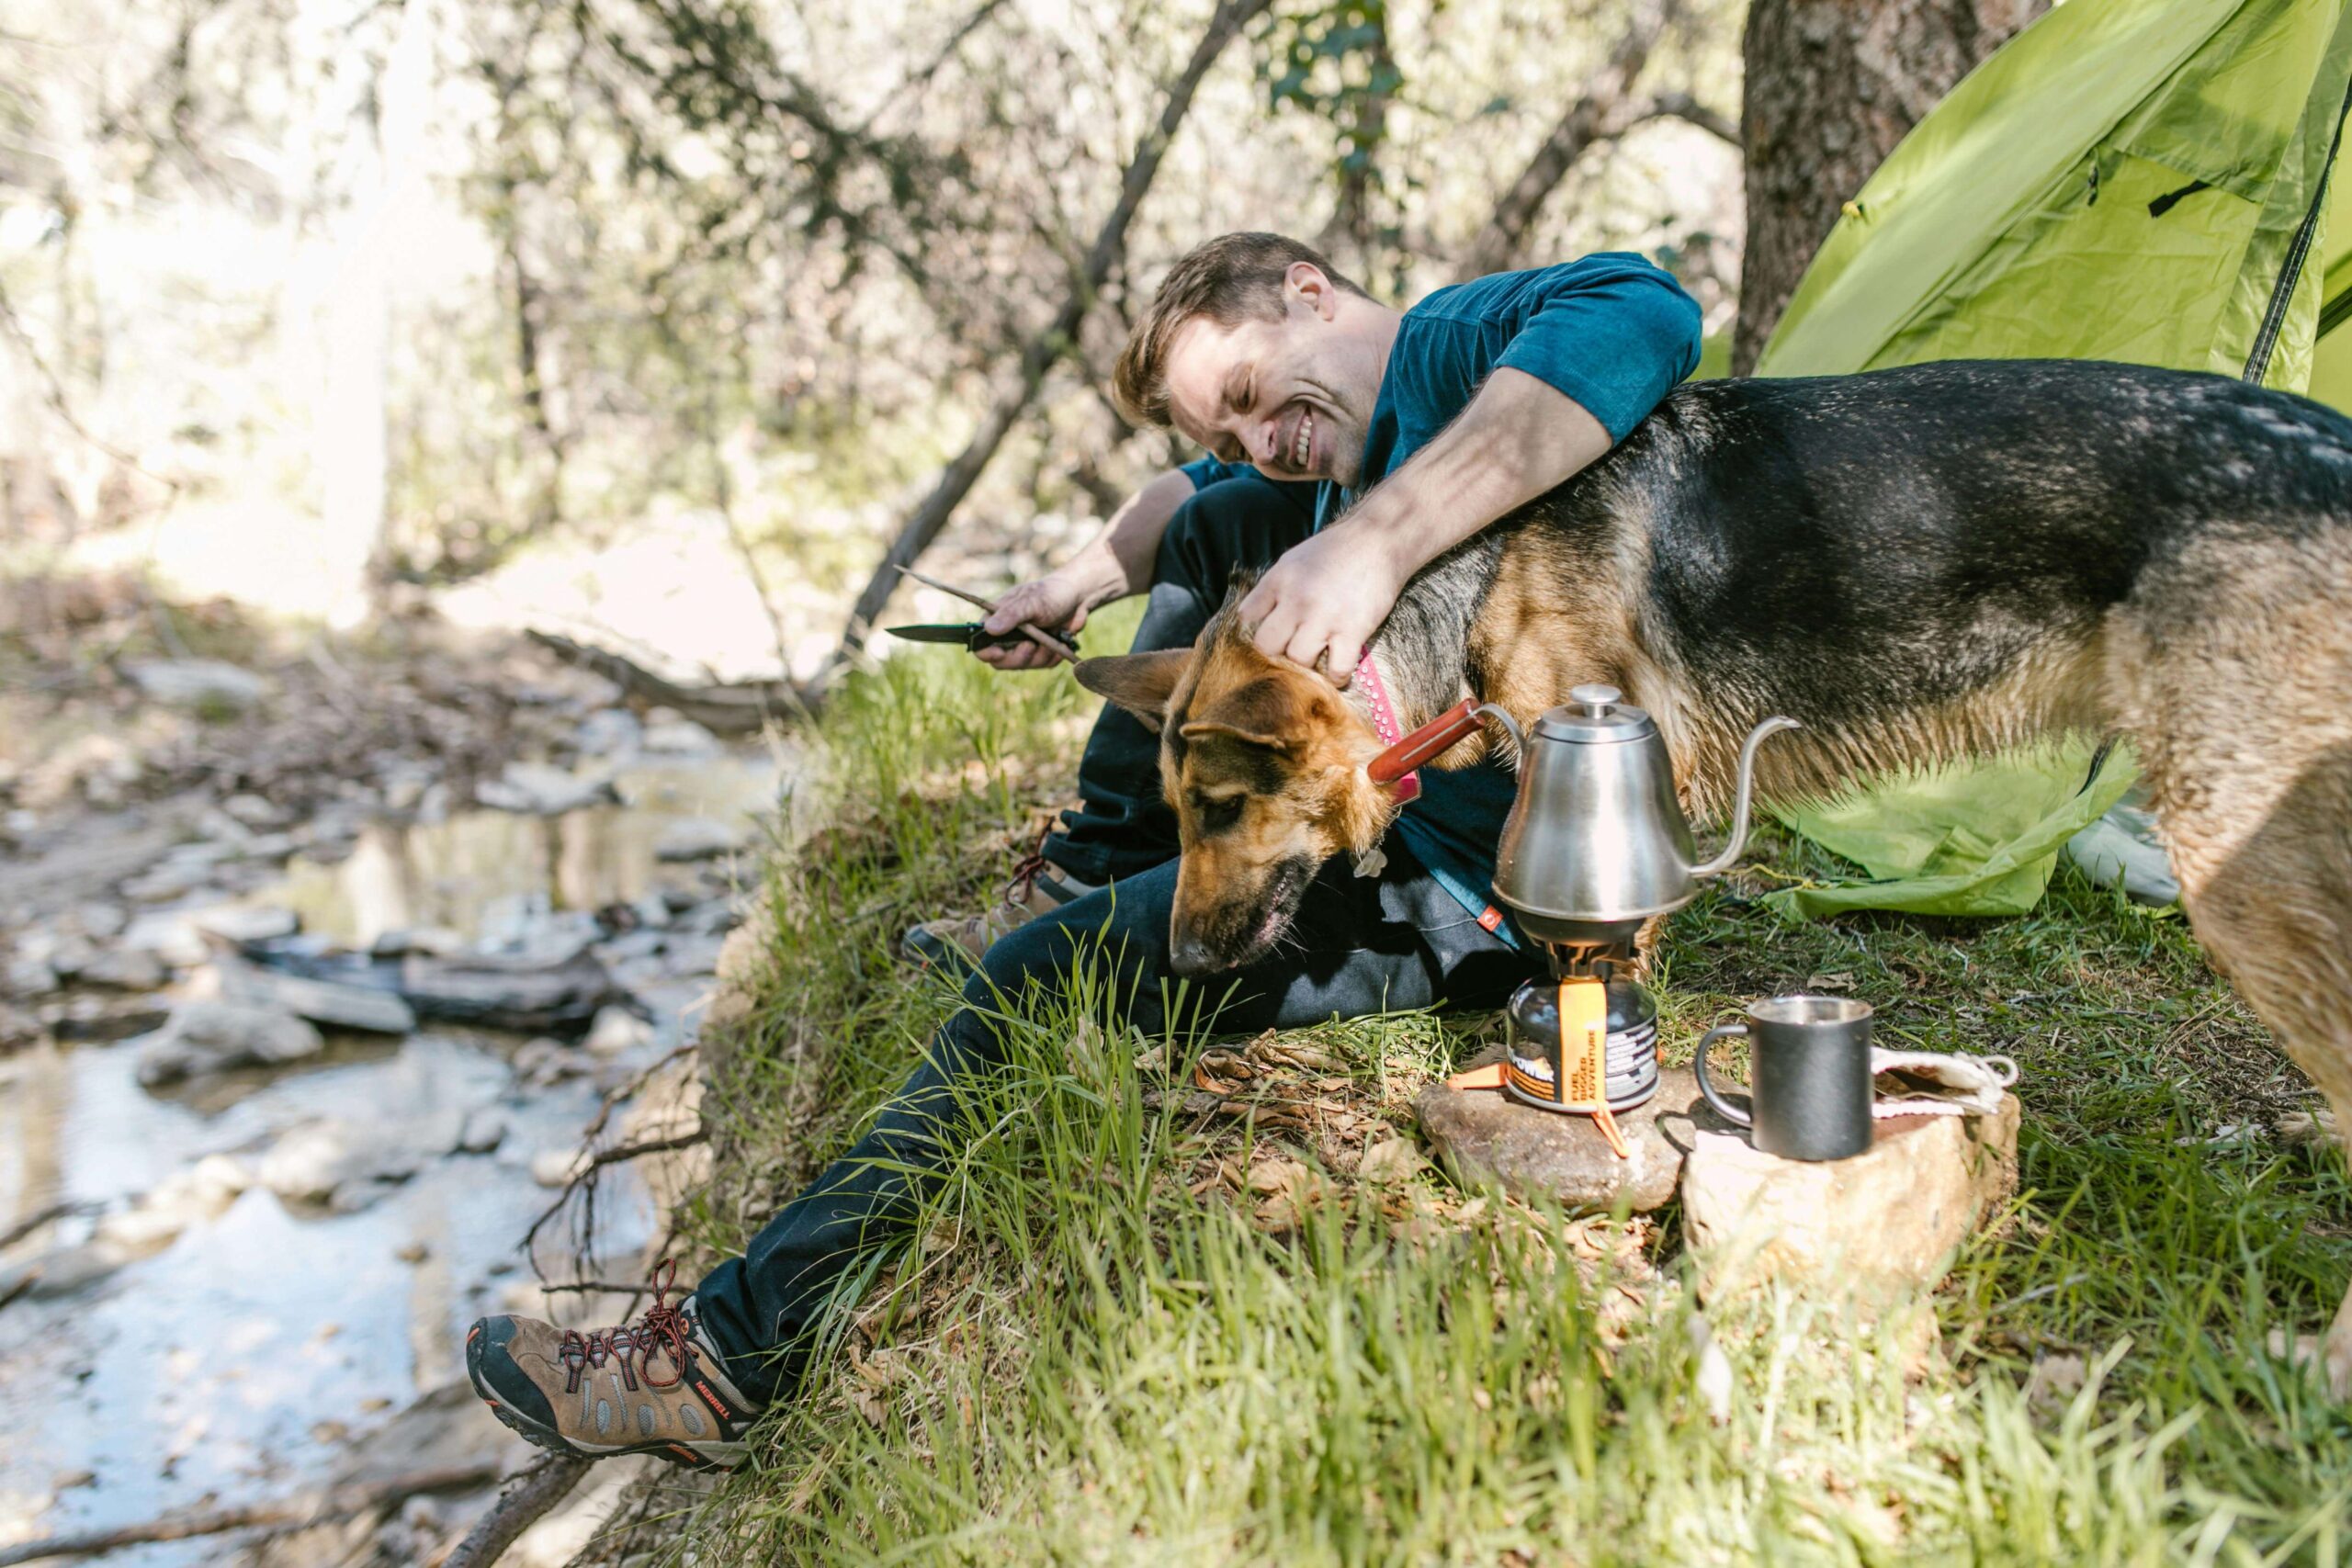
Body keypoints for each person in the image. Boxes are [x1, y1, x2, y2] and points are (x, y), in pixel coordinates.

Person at [465, 232, 1703, 1469]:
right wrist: (1069, 586)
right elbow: (1186, 503)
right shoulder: (1323, 473)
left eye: (1250, 395)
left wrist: (1375, 543)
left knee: (1026, 980)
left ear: (1309, 294)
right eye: (1233, 433)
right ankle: (1097, 861)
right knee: (1211, 537)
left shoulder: (1446, 349)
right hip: (1386, 838)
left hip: (1480, 886)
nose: (1261, 439)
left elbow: (1645, 312)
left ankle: (723, 1368)